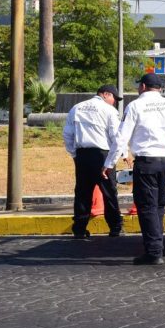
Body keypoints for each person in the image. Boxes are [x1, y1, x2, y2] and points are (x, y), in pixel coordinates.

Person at [104, 73, 165, 266]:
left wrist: (109, 164)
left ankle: (153, 252)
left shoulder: (135, 106)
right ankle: (156, 248)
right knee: (159, 206)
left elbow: (121, 138)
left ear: (143, 86)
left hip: (146, 163)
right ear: (159, 88)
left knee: (146, 207)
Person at [63, 84, 124, 239]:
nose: (114, 102)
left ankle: (79, 229)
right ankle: (115, 227)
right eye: (114, 98)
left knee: (82, 193)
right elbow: (117, 138)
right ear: (105, 94)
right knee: (109, 192)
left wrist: (74, 155)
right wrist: (113, 160)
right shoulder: (110, 111)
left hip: (82, 155)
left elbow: (67, 134)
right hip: (103, 155)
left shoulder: (77, 108)